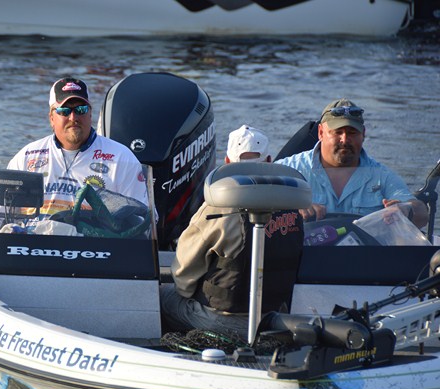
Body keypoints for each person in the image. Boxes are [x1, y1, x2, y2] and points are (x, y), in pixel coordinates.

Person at [160, 125, 304, 337]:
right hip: (275, 319)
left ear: (227, 162)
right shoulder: (293, 204)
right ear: (269, 161)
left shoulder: (217, 207)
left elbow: (184, 275)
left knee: (163, 297)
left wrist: (191, 293)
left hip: (221, 321)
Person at [275, 98, 428, 228]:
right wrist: (291, 207)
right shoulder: (290, 168)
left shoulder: (382, 176)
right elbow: (261, 198)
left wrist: (405, 210)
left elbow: (421, 213)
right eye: (337, 132)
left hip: (365, 254)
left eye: (352, 133)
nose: (345, 139)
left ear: (363, 134)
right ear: (320, 132)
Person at [8, 77, 149, 215]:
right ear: (51, 118)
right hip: (35, 231)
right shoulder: (26, 156)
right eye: (64, 111)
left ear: (90, 113)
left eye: (81, 109)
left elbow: (142, 219)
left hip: (91, 232)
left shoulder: (122, 158)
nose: (73, 118)